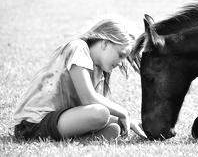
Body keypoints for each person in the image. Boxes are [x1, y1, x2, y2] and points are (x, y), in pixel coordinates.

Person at [13, 15, 146, 141]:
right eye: (121, 55)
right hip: (33, 124)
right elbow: (88, 98)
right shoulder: (78, 48)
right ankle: (77, 139)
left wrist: (126, 122)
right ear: (105, 43)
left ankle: (79, 140)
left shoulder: (97, 69)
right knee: (101, 114)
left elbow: (84, 108)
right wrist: (123, 113)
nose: (121, 63)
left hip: (56, 120)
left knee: (114, 128)